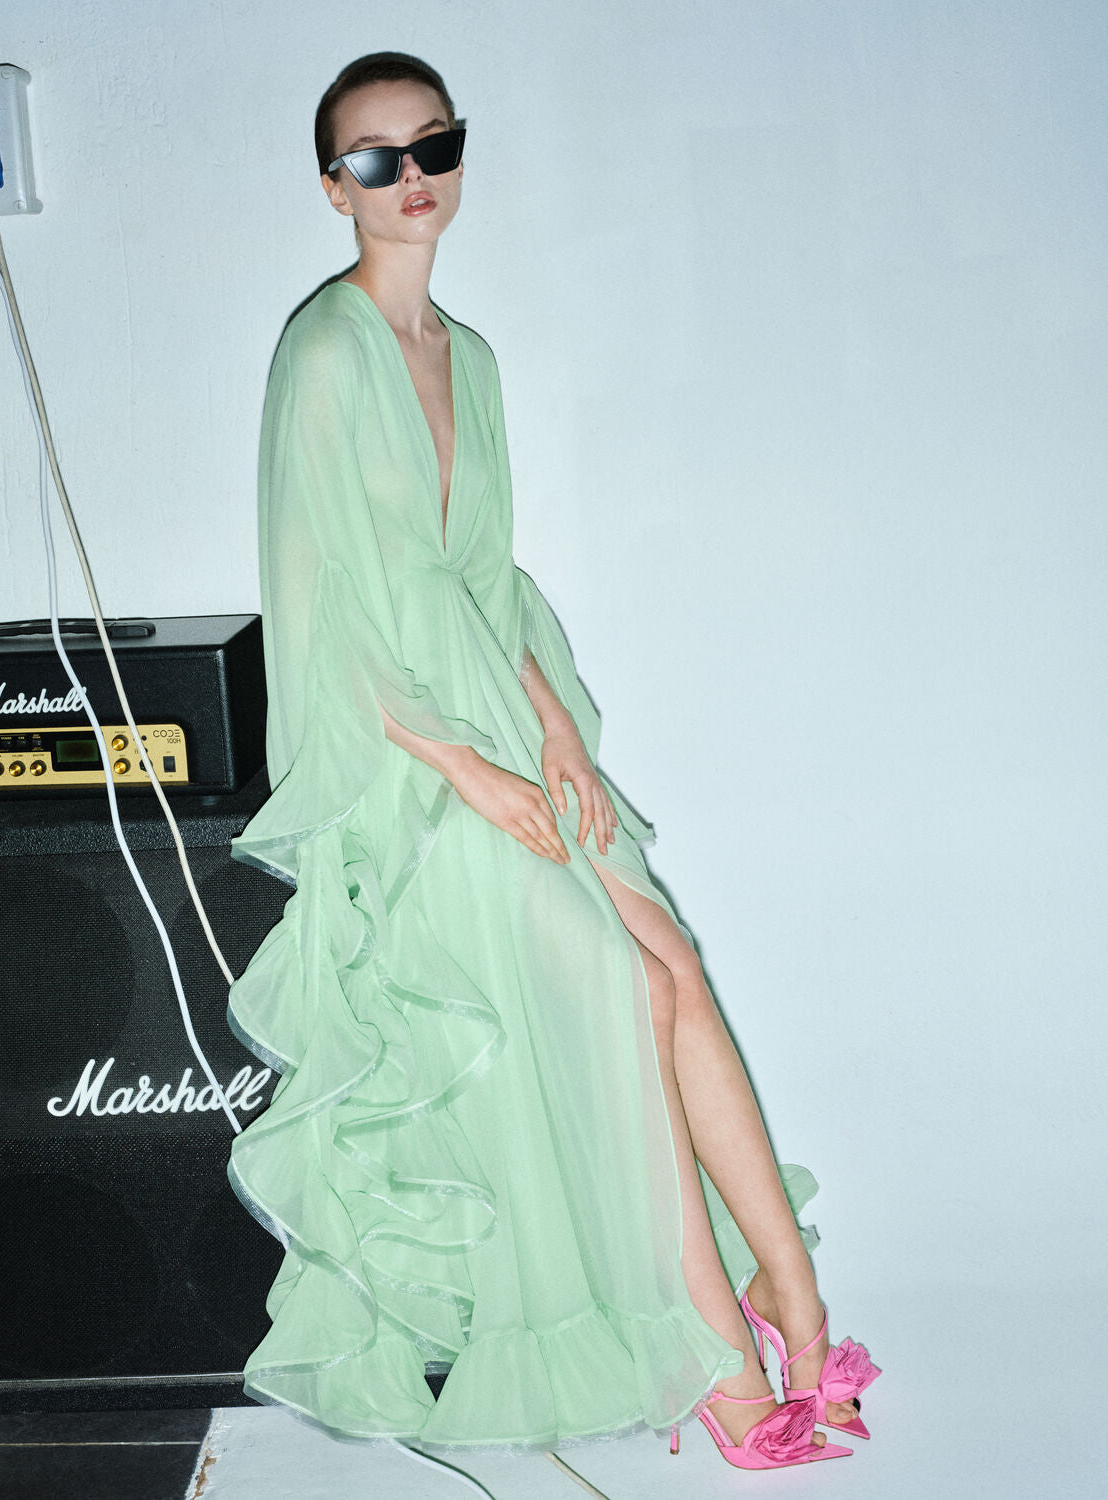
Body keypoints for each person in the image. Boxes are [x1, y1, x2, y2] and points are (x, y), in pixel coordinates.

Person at [225, 51, 879, 1472]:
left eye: (434, 145)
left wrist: (557, 733)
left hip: (502, 718)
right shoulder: (322, 353)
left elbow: (486, 581)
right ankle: (716, 1359)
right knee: (617, 993)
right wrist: (464, 769)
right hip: (400, 757)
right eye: (378, 159)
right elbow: (319, 610)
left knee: (673, 964)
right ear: (334, 187)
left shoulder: (467, 356)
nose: (413, 178)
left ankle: (796, 1300)